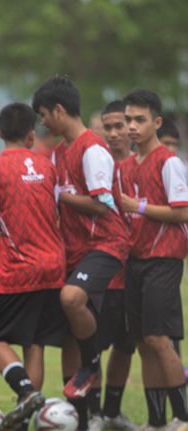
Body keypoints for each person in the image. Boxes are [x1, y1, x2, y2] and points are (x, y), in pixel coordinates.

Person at [32, 76, 129, 431]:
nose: (43, 122)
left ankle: (92, 363)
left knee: (71, 299)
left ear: (59, 110)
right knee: (69, 338)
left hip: (105, 245)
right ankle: (83, 421)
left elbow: (103, 205)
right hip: (73, 251)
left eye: (44, 114)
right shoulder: (60, 151)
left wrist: (59, 195)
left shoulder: (93, 149)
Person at [0, 103, 66, 431]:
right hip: (54, 265)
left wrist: (0, 260)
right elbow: (55, 212)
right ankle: (31, 413)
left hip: (18, 268)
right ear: (31, 134)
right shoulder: (48, 165)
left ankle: (26, 393)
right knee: (34, 342)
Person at [119, 90, 188, 431]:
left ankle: (183, 417)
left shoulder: (169, 162)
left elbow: (182, 212)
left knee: (160, 339)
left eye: (139, 120)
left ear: (157, 123)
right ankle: (157, 420)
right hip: (135, 260)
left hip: (164, 260)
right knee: (144, 343)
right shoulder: (128, 165)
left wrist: (140, 207)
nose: (131, 126)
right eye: (128, 119)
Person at [88, 100, 137, 431]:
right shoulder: (99, 168)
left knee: (125, 346)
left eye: (121, 125)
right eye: (109, 127)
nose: (116, 132)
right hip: (102, 276)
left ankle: (112, 413)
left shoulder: (142, 167)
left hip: (137, 273)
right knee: (91, 348)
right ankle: (92, 415)